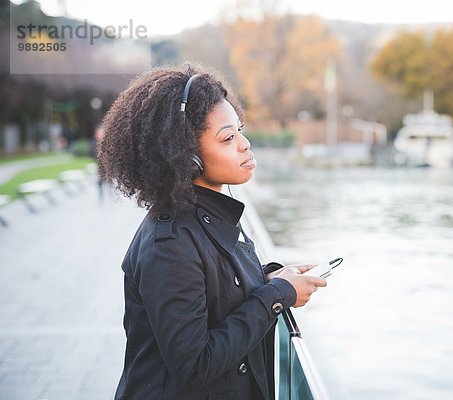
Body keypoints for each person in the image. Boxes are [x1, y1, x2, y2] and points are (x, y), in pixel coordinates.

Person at [97, 64, 327, 400]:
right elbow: (194, 365)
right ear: (186, 157)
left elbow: (215, 290)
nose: (245, 144)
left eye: (240, 130)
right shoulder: (169, 243)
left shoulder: (207, 213)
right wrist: (275, 296)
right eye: (228, 137)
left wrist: (274, 279)